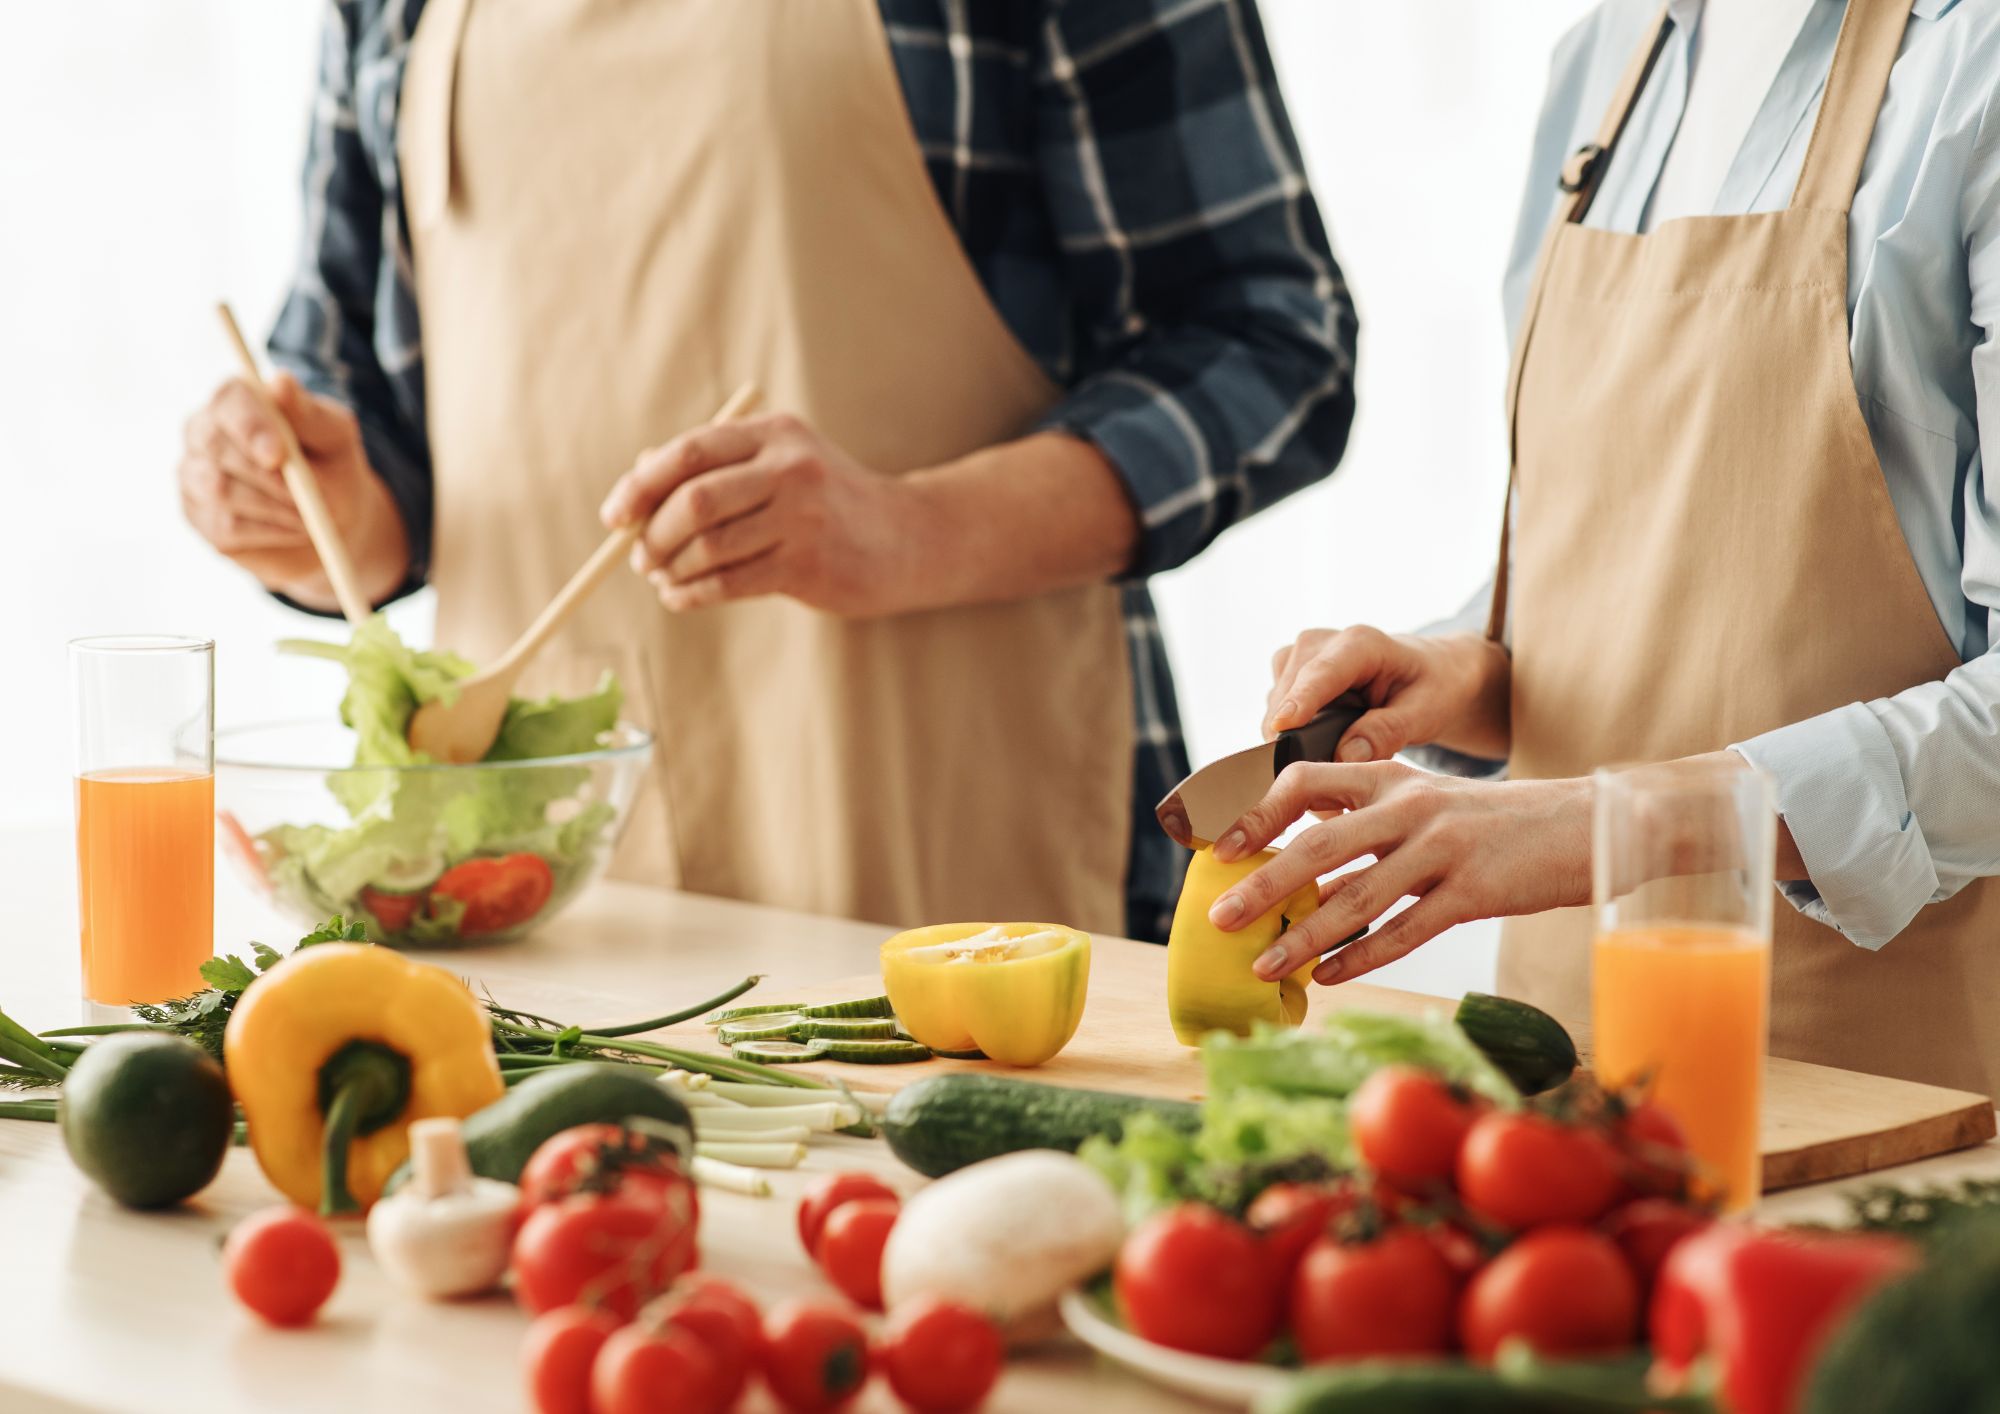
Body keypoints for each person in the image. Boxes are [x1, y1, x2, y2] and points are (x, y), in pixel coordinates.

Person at [176, 0, 1356, 944]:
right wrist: (311, 507)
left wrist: (913, 528)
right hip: (539, 902)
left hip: (950, 853)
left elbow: (1274, 339)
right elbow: (366, 444)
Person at [1205, 0, 2000, 1093]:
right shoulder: (1605, 63)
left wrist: (1597, 825)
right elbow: (1667, 572)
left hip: (1875, 1089)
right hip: (1560, 1075)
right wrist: (1472, 667)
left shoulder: (1974, 67)